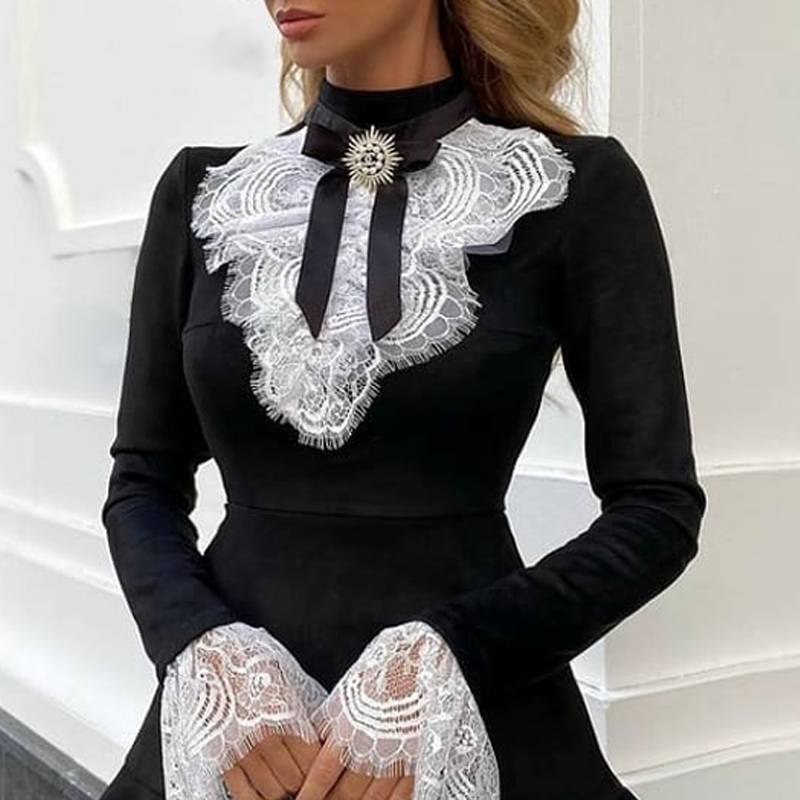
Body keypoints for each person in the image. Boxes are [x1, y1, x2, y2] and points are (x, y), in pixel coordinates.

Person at [98, 1, 707, 799]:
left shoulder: (574, 187)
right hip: (237, 732)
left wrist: (452, 657)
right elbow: (142, 479)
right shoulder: (206, 191)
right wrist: (202, 649)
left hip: (480, 712)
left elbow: (658, 509)